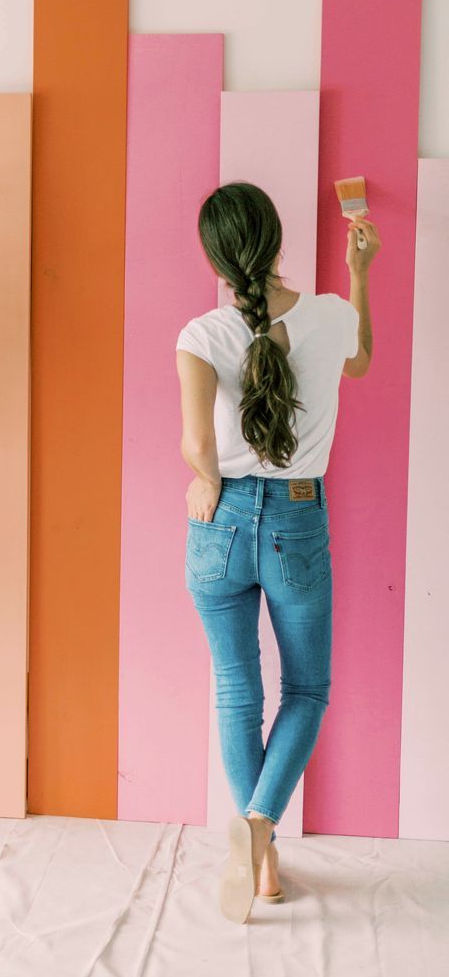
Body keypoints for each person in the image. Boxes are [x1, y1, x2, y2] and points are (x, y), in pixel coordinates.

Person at [175, 181, 378, 923]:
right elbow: (358, 363)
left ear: (215, 257)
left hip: (218, 524)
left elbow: (199, 446)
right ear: (277, 240)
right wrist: (359, 272)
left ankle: (262, 861)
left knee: (237, 689)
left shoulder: (201, 334)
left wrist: (206, 482)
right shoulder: (329, 315)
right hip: (296, 520)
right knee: (306, 691)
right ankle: (260, 832)